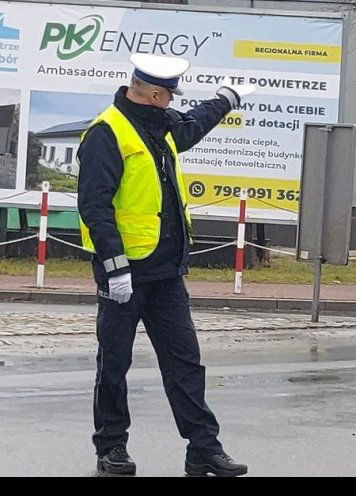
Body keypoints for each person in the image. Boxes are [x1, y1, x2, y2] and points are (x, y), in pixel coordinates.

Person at [77, 53, 249, 477]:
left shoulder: (162, 126)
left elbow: (194, 124)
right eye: (169, 93)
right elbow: (95, 207)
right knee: (114, 365)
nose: (173, 101)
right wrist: (115, 267)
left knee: (185, 363)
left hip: (166, 273)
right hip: (126, 274)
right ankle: (111, 448)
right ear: (154, 94)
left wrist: (226, 99)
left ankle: (204, 448)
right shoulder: (107, 133)